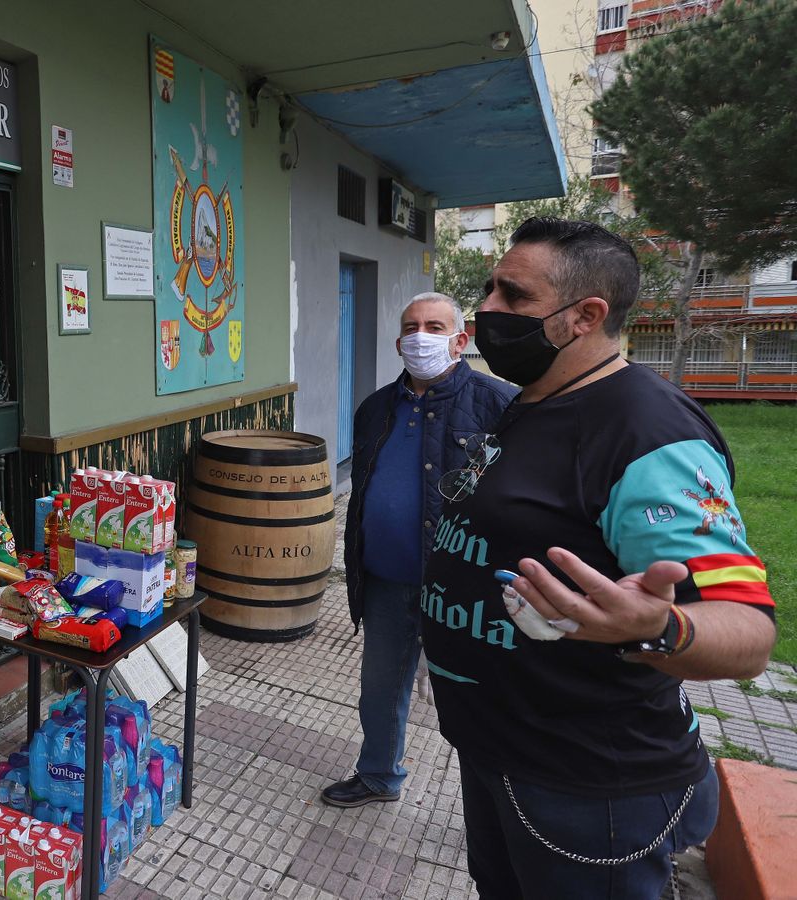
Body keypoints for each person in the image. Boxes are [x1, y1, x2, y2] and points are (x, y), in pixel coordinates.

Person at [424, 217, 776, 898]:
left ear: (585, 316)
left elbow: (751, 634)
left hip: (589, 788)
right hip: (503, 751)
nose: (487, 309)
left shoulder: (648, 431)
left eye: (513, 296)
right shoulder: (533, 402)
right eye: (490, 287)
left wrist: (659, 627)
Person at [323, 293, 514, 809]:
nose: (420, 335)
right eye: (411, 326)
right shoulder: (375, 408)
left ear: (461, 339)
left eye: (434, 325)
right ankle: (379, 776)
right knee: (380, 690)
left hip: (464, 590)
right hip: (386, 582)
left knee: (479, 697)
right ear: (398, 340)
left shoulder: (501, 406)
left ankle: (504, 799)